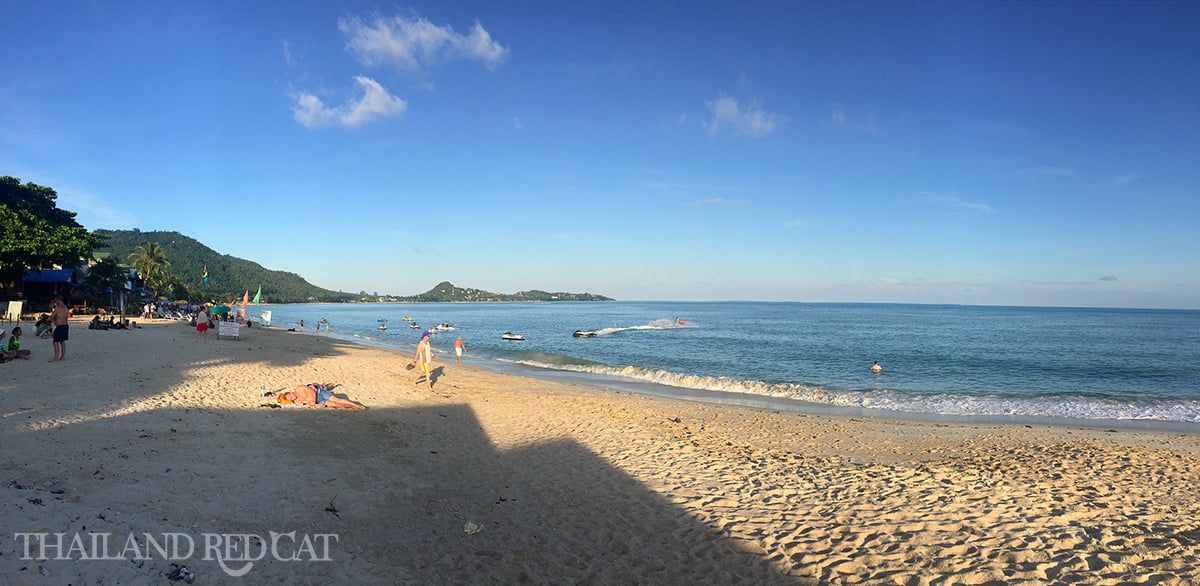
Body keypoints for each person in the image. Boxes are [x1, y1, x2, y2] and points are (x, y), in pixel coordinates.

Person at [278, 384, 366, 409]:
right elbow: (307, 403)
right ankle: (351, 406)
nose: (292, 398)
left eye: (290, 397)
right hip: (318, 401)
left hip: (319, 393)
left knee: (337, 400)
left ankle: (356, 405)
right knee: (334, 405)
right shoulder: (297, 401)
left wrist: (313, 400)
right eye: (290, 399)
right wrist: (317, 405)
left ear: (290, 393)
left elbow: (311, 391)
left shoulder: (299, 388)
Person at [49, 297, 69, 362]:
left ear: (58, 300)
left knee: (55, 342)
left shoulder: (57, 308)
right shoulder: (66, 308)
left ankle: (56, 357)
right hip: (65, 326)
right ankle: (62, 357)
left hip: (60, 326)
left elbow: (52, 317)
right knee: (62, 341)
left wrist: (53, 321)